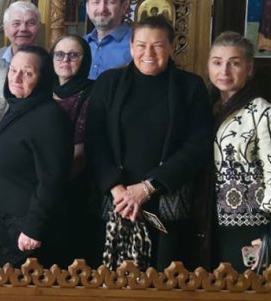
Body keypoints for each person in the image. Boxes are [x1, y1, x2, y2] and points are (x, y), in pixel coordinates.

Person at [86, 16, 212, 269]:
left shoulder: (191, 87)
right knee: (113, 286)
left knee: (166, 285)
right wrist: (117, 189)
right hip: (118, 202)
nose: (149, 53)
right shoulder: (109, 83)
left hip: (168, 202)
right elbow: (95, 140)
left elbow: (197, 146)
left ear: (171, 47)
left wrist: (147, 187)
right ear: (131, 47)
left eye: (157, 45)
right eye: (141, 45)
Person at [205, 32, 271, 269]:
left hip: (248, 226)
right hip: (206, 223)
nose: (224, 71)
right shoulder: (204, 108)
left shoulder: (266, 114)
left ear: (249, 67)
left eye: (234, 63)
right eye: (217, 62)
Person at [0, 46, 71, 267]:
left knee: (22, 297)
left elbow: (52, 179)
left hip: (27, 229)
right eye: (12, 70)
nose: (16, 78)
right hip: (6, 221)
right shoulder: (18, 108)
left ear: (42, 78)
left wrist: (33, 228)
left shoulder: (49, 117)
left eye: (27, 73)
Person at [49, 34, 97, 266]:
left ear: (85, 59)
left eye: (73, 55)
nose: (65, 60)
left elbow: (83, 146)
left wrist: (55, 182)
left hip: (75, 186)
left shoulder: (92, 92)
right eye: (59, 54)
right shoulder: (42, 90)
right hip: (40, 187)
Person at [84, 0, 132, 79]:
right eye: (96, 2)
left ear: (124, 6)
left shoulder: (137, 44)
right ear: (87, 8)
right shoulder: (82, 43)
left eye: (110, 2)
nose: (102, 9)